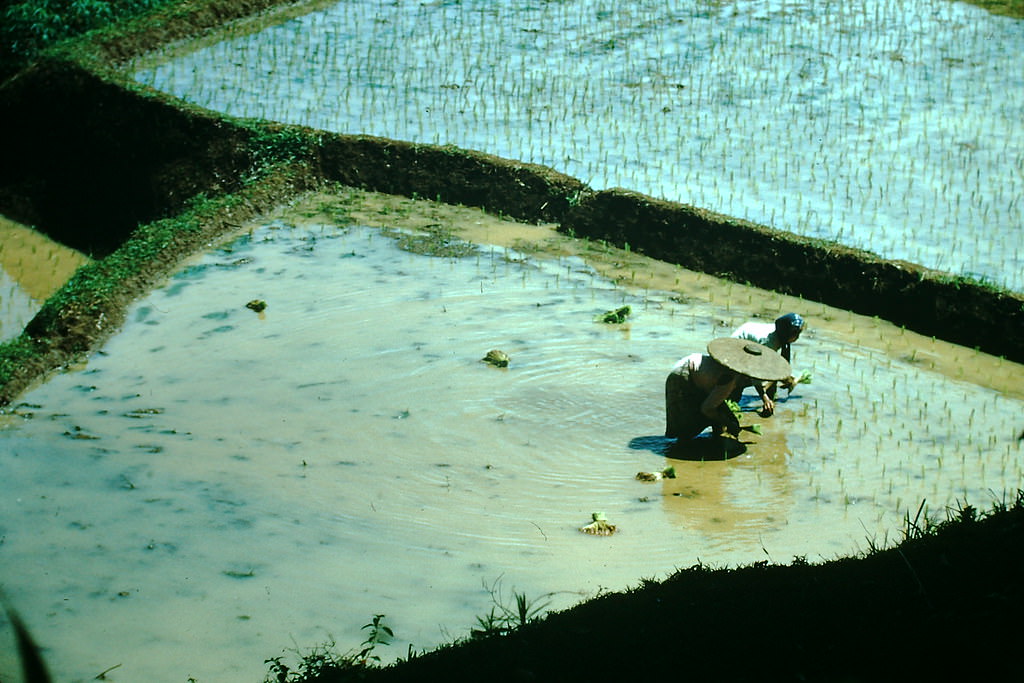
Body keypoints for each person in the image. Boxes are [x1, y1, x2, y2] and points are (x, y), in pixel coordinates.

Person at [665, 338, 791, 440]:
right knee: (686, 428)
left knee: (720, 415)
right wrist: (728, 423)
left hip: (698, 373)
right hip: (683, 375)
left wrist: (764, 397)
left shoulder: (736, 369)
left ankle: (716, 439)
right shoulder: (729, 380)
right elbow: (707, 408)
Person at [730, 313, 806, 414]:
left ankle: (771, 401)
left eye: (798, 334)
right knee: (737, 383)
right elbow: (754, 371)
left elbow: (778, 364)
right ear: (786, 333)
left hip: (751, 340)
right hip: (735, 348)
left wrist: (786, 377)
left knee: (771, 373)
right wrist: (764, 397)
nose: (797, 337)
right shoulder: (769, 342)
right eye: (795, 334)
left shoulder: (781, 334)